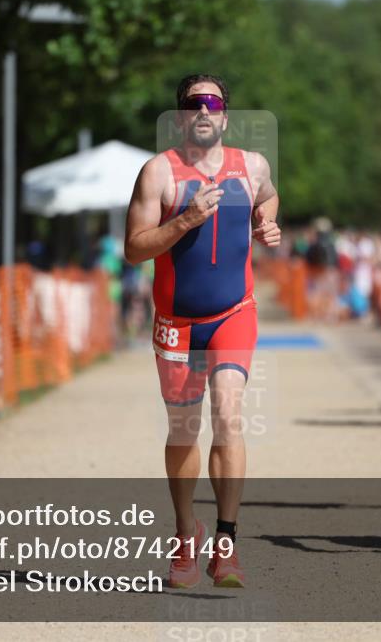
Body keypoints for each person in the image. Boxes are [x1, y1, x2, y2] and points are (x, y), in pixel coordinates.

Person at [124, 74, 281, 587]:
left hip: (234, 313)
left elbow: (269, 197)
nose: (205, 110)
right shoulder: (157, 174)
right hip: (176, 322)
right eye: (195, 103)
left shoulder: (251, 166)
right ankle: (183, 534)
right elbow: (135, 247)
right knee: (183, 429)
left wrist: (266, 221)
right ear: (181, 116)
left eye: (214, 102)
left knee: (229, 416)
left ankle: (227, 544)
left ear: (226, 115)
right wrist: (184, 220)